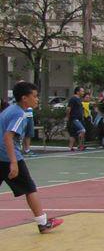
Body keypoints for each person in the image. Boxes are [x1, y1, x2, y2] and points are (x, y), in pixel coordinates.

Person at [0, 81, 62, 233]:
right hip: (7, 157)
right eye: (34, 96)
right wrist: (13, 162)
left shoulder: (9, 110)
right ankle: (43, 224)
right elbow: (8, 137)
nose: (37, 99)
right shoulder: (19, 113)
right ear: (24, 98)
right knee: (30, 188)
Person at [66, 86, 86, 151]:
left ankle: (70, 148)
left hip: (79, 119)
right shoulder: (73, 99)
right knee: (82, 130)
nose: (83, 92)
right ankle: (80, 145)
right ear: (77, 92)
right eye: (82, 91)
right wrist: (67, 117)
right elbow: (68, 109)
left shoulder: (79, 99)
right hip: (74, 119)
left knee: (73, 134)